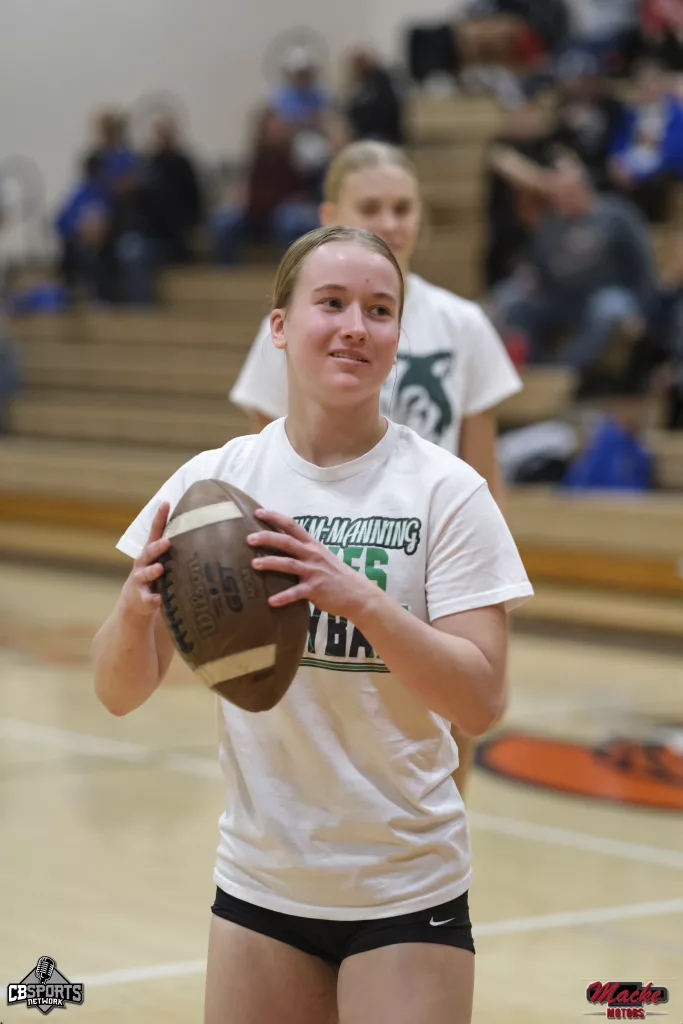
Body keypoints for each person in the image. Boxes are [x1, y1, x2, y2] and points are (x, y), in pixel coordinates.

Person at [92, 224, 533, 1024]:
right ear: (279, 326)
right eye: (330, 303)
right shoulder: (211, 485)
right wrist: (133, 609)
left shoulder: (446, 492)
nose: (354, 326)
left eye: (379, 310)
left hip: (405, 889)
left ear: (397, 336)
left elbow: (480, 701)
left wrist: (360, 600)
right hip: (260, 885)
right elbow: (117, 693)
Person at [229, 141, 524, 796]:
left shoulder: (463, 324)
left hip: (433, 563)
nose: (390, 222)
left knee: (446, 750)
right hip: (325, 561)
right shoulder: (298, 324)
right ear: (331, 213)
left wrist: (489, 589)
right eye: (371, 208)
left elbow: (484, 471)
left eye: (402, 207)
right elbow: (264, 464)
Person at [495, 161, 657, 369]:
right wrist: (526, 282)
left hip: (604, 295)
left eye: (566, 193)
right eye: (557, 195)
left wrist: (643, 309)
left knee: (608, 309)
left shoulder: (616, 216)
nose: (561, 199)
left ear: (583, 188)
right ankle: (535, 370)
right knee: (509, 300)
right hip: (560, 298)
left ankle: (566, 370)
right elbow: (537, 268)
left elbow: (642, 265)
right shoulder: (550, 223)